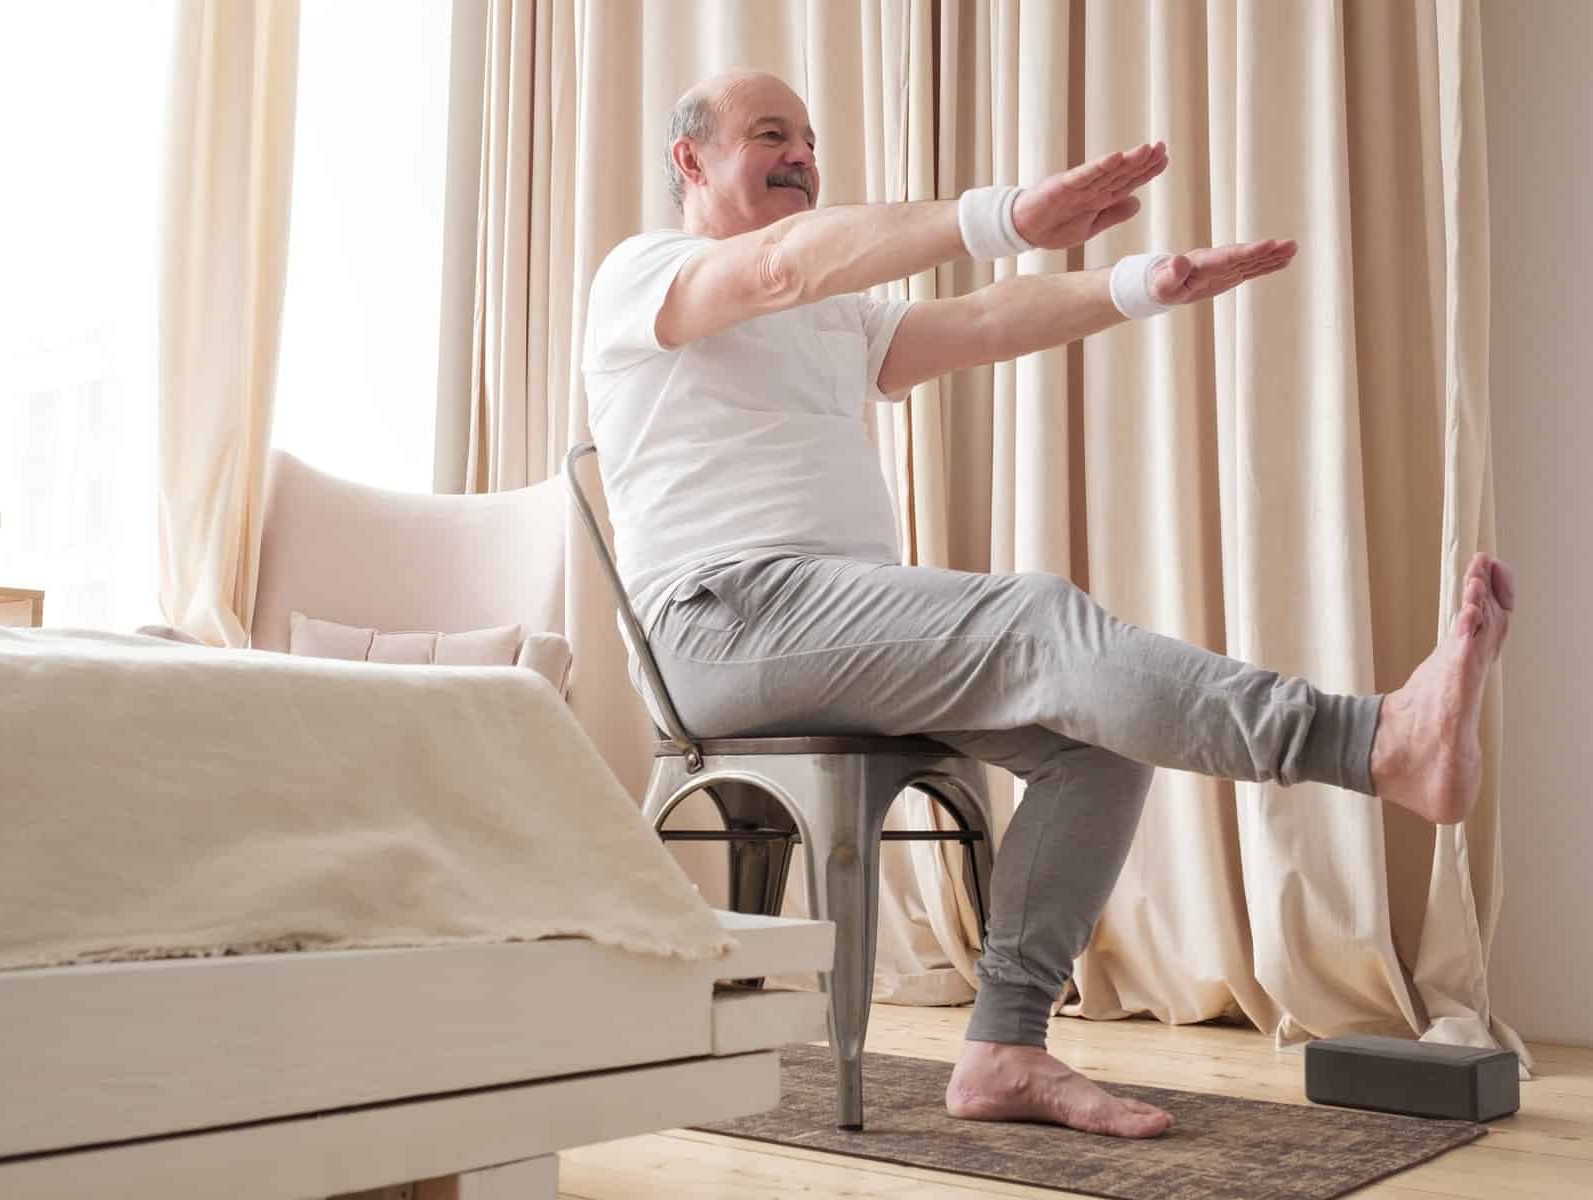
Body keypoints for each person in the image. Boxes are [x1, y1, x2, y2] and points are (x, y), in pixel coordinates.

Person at [580, 69, 1516, 1140]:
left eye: (806, 136)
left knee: (1094, 731)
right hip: (718, 622)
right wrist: (1003, 215)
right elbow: (782, 264)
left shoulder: (827, 311)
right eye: (767, 134)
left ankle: (1002, 1050)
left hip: (830, 617)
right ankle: (1369, 741)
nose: (798, 152)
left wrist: (1137, 287)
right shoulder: (644, 275)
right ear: (689, 162)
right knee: (1036, 619)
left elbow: (976, 320)